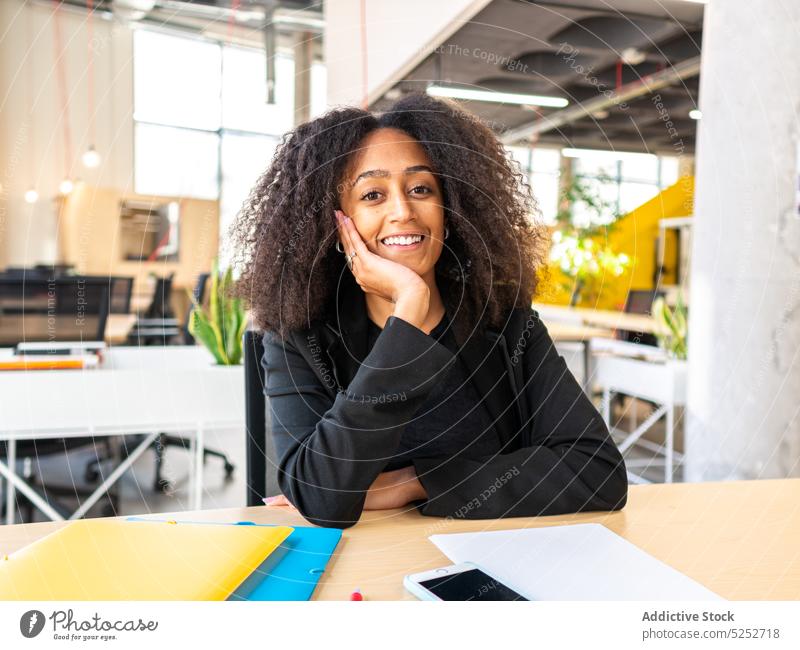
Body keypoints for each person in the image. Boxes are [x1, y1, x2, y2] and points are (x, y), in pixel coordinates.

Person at [232, 93, 627, 529]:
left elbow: (598, 473)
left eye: (421, 189)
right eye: (373, 194)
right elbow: (321, 497)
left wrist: (414, 481)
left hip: (490, 559)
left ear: (450, 208)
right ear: (337, 221)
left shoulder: (504, 322)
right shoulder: (299, 338)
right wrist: (408, 312)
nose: (402, 211)